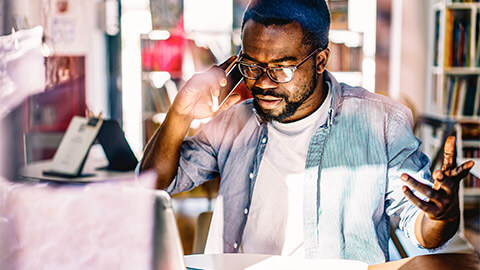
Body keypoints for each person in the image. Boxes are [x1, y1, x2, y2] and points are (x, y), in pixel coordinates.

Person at [140, 0, 474, 264]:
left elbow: (422, 230)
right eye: (251, 66)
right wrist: (180, 110)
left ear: (321, 60)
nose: (263, 83)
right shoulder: (232, 120)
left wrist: (443, 215)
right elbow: (154, 183)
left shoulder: (382, 122)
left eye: (282, 68)